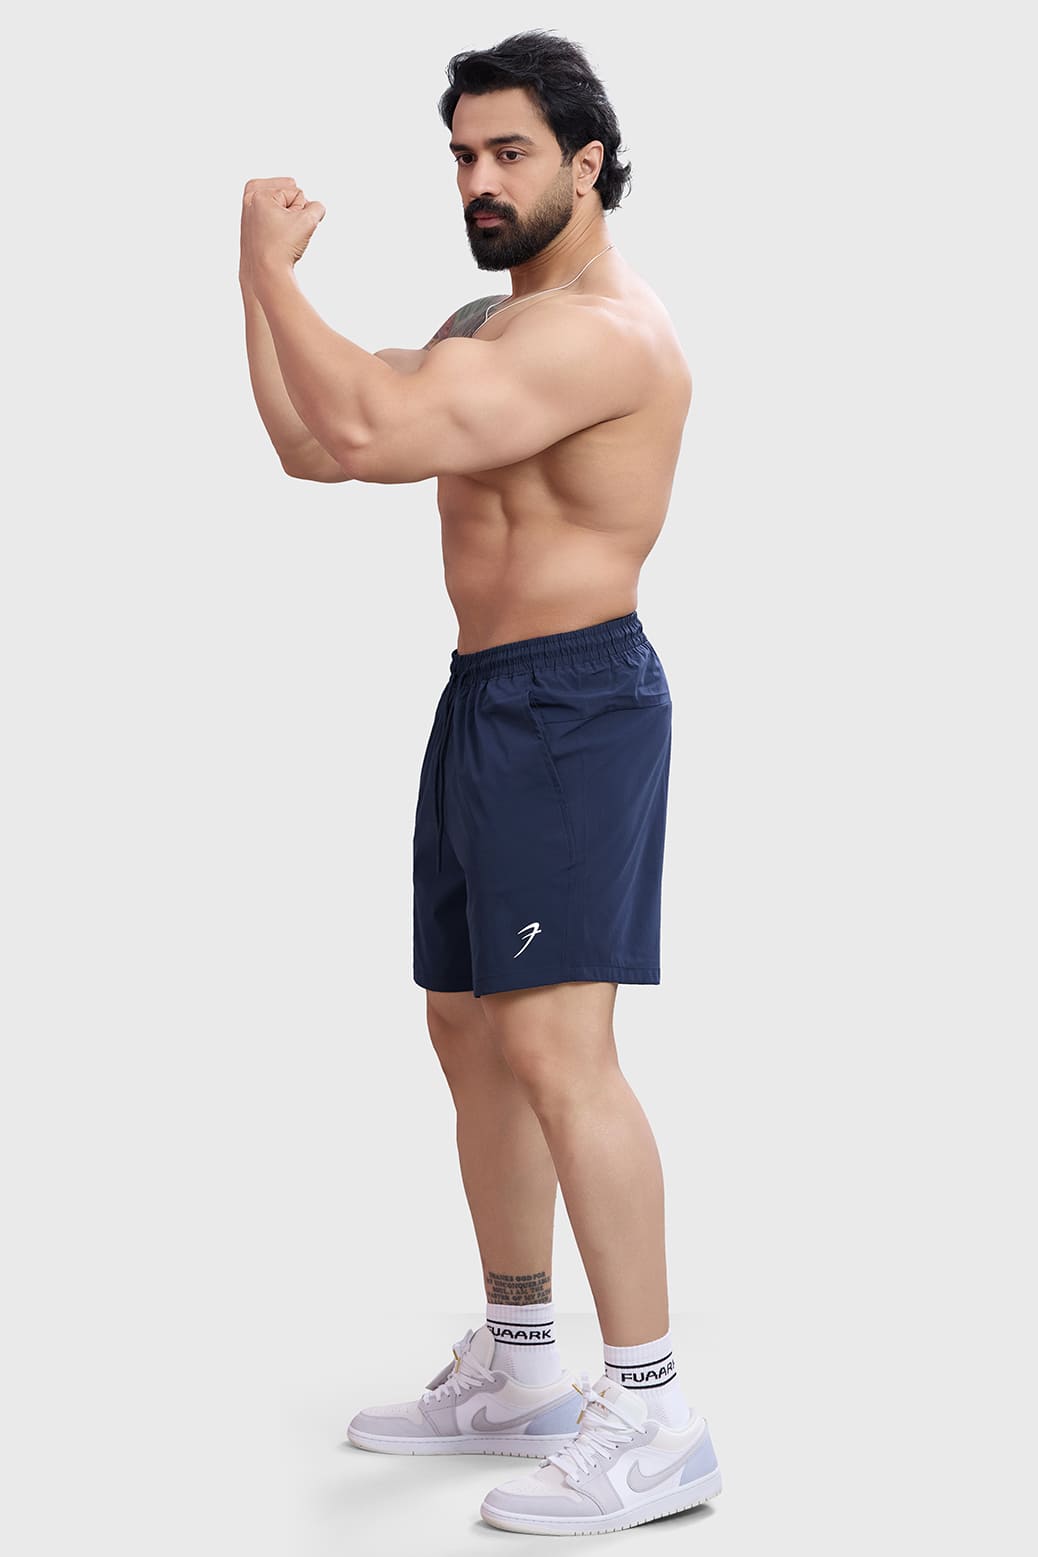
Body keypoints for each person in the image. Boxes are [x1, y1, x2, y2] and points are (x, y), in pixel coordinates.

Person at [240, 27, 722, 1538]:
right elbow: (314, 447)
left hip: (574, 706)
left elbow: (372, 427)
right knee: (468, 1028)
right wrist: (252, 292)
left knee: (560, 1051)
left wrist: (267, 268)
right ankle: (521, 1368)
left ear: (587, 161)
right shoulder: (489, 328)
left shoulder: (603, 337)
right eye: (461, 154)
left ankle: (655, 1415)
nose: (477, 180)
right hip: (484, 698)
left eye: (509, 151)